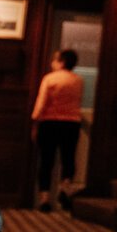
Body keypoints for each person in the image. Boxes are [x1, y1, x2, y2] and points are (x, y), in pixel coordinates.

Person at [31, 49, 83, 211]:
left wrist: (35, 122)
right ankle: (64, 188)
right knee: (68, 158)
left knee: (47, 160)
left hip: (50, 123)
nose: (52, 62)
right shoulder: (78, 80)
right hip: (71, 123)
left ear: (61, 62)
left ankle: (44, 199)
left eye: (54, 60)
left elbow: (41, 103)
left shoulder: (49, 79)